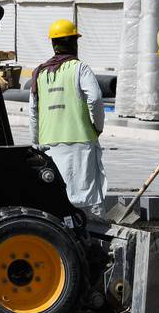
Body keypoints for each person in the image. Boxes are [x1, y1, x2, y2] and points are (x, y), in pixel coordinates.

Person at [30, 19, 106, 213]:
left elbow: (33, 112)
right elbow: (95, 99)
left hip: (49, 146)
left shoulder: (39, 73)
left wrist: (36, 143)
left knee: (57, 202)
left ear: (54, 44)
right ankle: (91, 241)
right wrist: (97, 126)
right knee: (87, 202)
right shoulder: (80, 68)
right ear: (73, 43)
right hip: (81, 144)